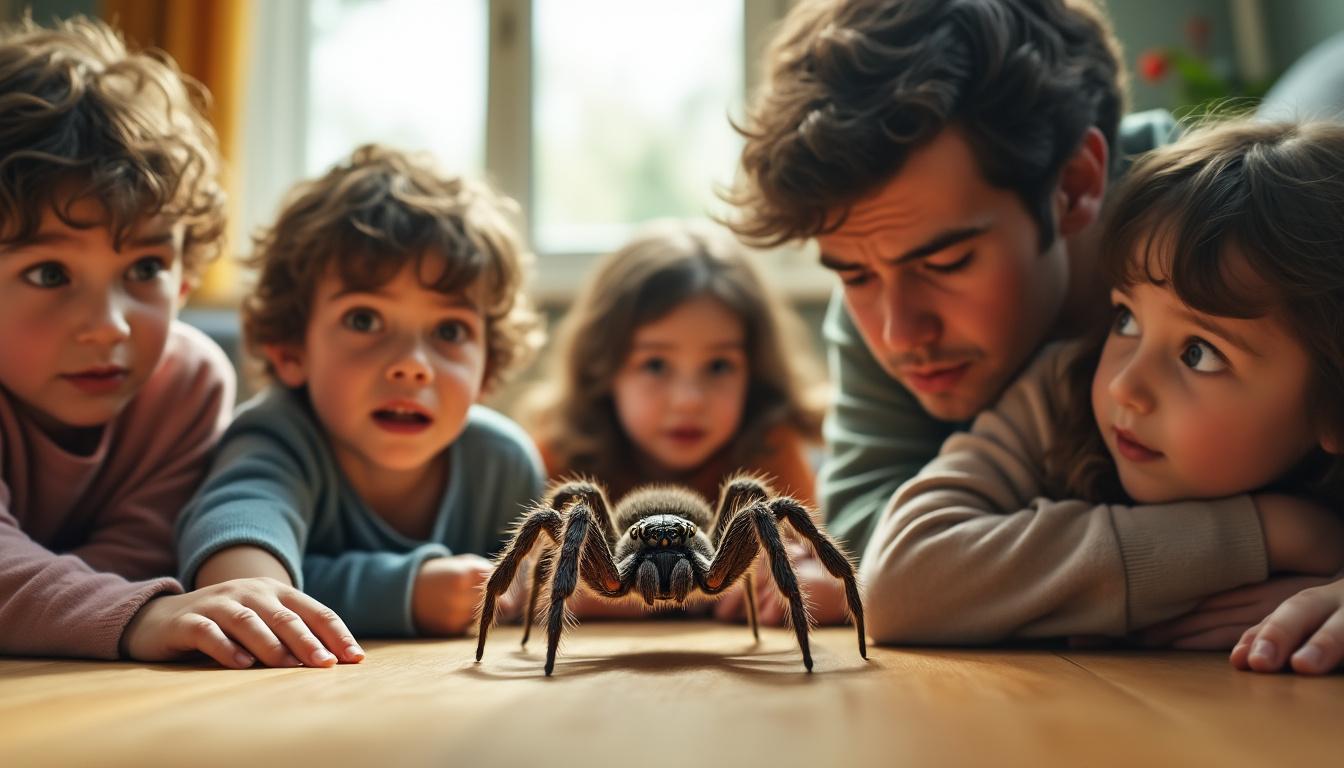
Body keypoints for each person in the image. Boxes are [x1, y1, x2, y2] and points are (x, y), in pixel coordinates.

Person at [857, 120, 1344, 644]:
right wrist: (1268, 534)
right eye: (1126, 320)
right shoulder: (1058, 395)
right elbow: (898, 585)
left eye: (1198, 353)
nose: (1123, 386)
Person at [727, 0, 1139, 561]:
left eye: (947, 264)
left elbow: (1308, 526)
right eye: (854, 274)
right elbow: (866, 531)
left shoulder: (1234, 242)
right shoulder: (887, 277)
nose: (899, 333)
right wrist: (1250, 542)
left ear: (1074, 184)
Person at [0, 15, 331, 667]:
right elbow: (127, 598)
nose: (111, 324)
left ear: (184, 282)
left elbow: (137, 553)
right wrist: (138, 614)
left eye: (145, 269)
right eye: (49, 273)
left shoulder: (185, 383)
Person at [176, 145, 546, 644]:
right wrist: (405, 593)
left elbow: (539, 591)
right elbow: (242, 576)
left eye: (450, 331)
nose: (413, 365)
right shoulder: (277, 437)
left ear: (487, 369)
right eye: (364, 320)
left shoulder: (503, 464)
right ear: (290, 347)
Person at [521, 219, 832, 623]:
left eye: (719, 365)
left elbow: (802, 563)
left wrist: (818, 586)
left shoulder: (769, 456)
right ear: (603, 367)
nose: (688, 401)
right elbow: (525, 577)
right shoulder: (562, 457)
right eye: (654, 364)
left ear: (753, 372)